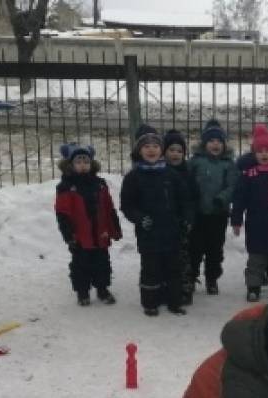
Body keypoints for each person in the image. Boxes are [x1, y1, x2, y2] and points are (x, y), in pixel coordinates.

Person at [119, 123, 191, 316]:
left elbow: (185, 200)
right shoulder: (133, 178)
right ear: (139, 151)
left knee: (173, 268)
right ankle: (150, 302)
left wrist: (186, 219)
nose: (151, 150)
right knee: (151, 269)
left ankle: (174, 301)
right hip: (148, 233)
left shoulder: (171, 175)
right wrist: (140, 218)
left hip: (172, 232)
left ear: (162, 150)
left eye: (155, 146)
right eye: (146, 146)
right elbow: (127, 205)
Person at [53, 143, 121, 306]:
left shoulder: (100, 184)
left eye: (86, 162)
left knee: (102, 263)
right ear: (71, 164)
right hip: (80, 236)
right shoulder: (66, 187)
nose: (83, 165)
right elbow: (63, 213)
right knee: (80, 265)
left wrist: (114, 228)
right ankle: (82, 292)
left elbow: (108, 207)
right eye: (78, 162)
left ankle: (102, 289)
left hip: (100, 234)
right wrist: (68, 234)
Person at [231, 125, 268, 303]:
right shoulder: (249, 175)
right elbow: (240, 199)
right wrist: (236, 220)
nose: (264, 154)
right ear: (254, 154)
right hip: (256, 223)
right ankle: (253, 286)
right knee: (256, 258)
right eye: (260, 151)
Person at [188, 118, 237, 296]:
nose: (215, 144)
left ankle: (212, 278)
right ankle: (190, 277)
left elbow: (232, 186)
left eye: (219, 141)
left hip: (218, 214)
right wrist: (192, 200)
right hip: (198, 213)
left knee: (215, 250)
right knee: (194, 248)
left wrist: (222, 199)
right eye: (211, 141)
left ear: (224, 144)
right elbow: (187, 182)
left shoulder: (228, 164)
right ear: (204, 143)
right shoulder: (195, 162)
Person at [163, 128, 200, 306]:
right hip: (164, 222)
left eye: (179, 151)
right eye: (172, 150)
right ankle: (165, 288)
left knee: (184, 257)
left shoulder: (187, 172)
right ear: (164, 152)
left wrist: (189, 218)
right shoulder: (160, 171)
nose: (175, 154)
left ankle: (185, 288)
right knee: (165, 257)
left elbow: (192, 198)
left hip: (183, 222)